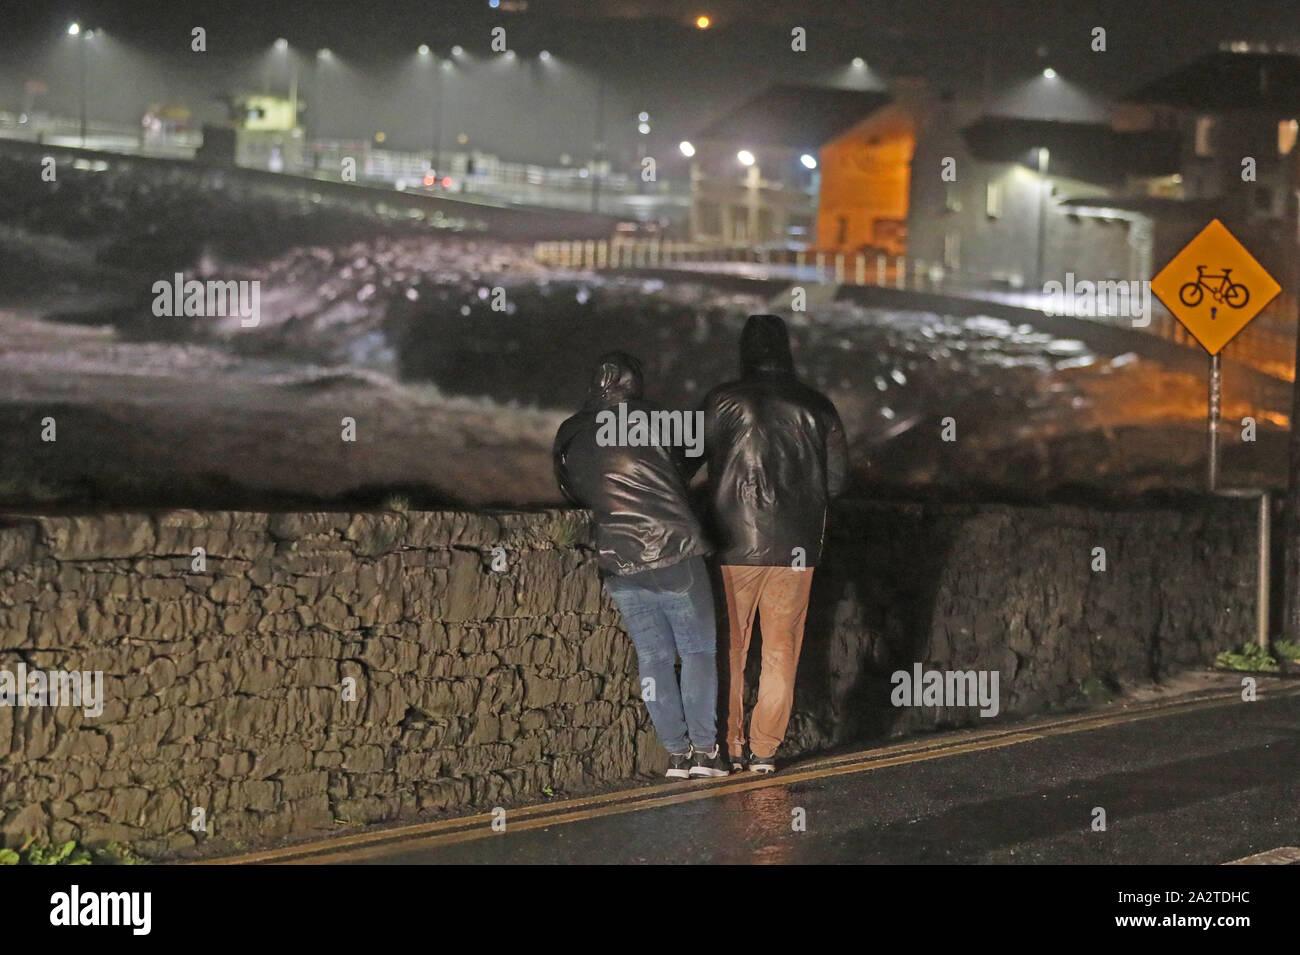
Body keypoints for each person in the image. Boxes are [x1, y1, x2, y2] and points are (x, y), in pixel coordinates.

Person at [553, 351, 731, 779]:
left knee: (652, 657)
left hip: (617, 557)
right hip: (675, 549)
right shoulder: (661, 421)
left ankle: (677, 755)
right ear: (636, 384)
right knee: (698, 651)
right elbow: (689, 465)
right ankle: (706, 752)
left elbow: (570, 489)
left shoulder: (572, 431)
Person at [696, 314, 848, 774]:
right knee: (783, 646)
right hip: (796, 546)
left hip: (733, 541)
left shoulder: (722, 400)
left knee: (731, 646)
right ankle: (765, 748)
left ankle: (730, 743)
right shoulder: (817, 405)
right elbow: (836, 482)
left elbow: (686, 461)